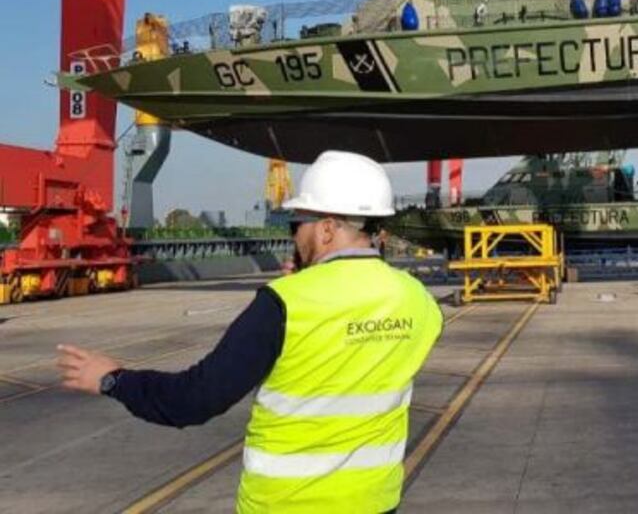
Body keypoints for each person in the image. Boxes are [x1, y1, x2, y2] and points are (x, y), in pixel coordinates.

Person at [57, 151, 444, 514]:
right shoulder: (417, 299)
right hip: (375, 502)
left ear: (327, 229)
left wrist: (114, 380)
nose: (294, 237)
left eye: (297, 224)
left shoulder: (284, 303)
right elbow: (359, 348)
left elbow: (194, 399)